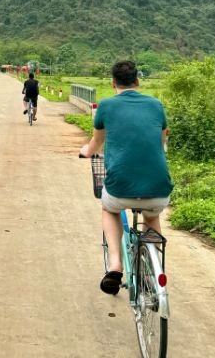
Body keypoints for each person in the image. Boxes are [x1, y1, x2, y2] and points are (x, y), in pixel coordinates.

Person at [79, 60, 173, 295]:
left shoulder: (107, 106)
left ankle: (115, 264)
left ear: (113, 83)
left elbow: (97, 141)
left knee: (109, 209)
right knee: (151, 217)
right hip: (158, 188)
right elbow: (162, 140)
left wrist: (86, 152)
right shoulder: (155, 104)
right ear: (137, 81)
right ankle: (154, 268)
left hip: (120, 188)